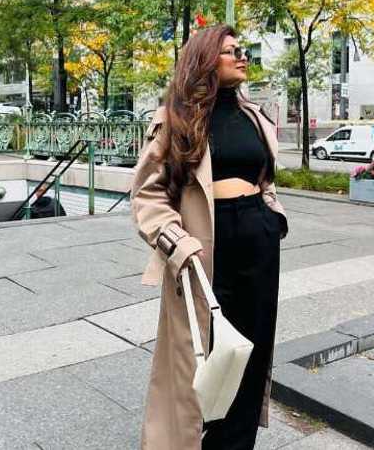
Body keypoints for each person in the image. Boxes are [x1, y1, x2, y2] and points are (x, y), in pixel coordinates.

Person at [130, 25, 287, 450]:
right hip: (200, 249)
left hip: (258, 241)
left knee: (249, 355)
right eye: (231, 51)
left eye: (243, 50)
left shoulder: (254, 115)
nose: (243, 57)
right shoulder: (176, 119)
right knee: (200, 360)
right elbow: (147, 194)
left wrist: (273, 216)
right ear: (204, 60)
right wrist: (176, 243)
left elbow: (265, 178)